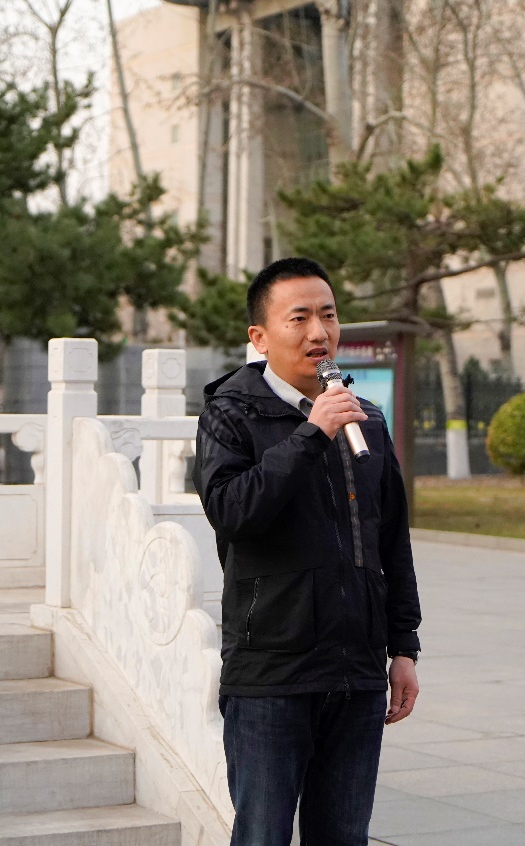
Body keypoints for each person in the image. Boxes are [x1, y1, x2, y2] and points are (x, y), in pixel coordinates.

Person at [194, 257, 422, 846]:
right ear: (260, 336)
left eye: (328, 315)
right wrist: (310, 434)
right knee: (263, 835)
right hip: (271, 674)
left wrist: (403, 647)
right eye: (299, 318)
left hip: (356, 670)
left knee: (344, 835)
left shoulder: (366, 420)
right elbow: (232, 512)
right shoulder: (230, 415)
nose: (319, 332)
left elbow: (391, 540)